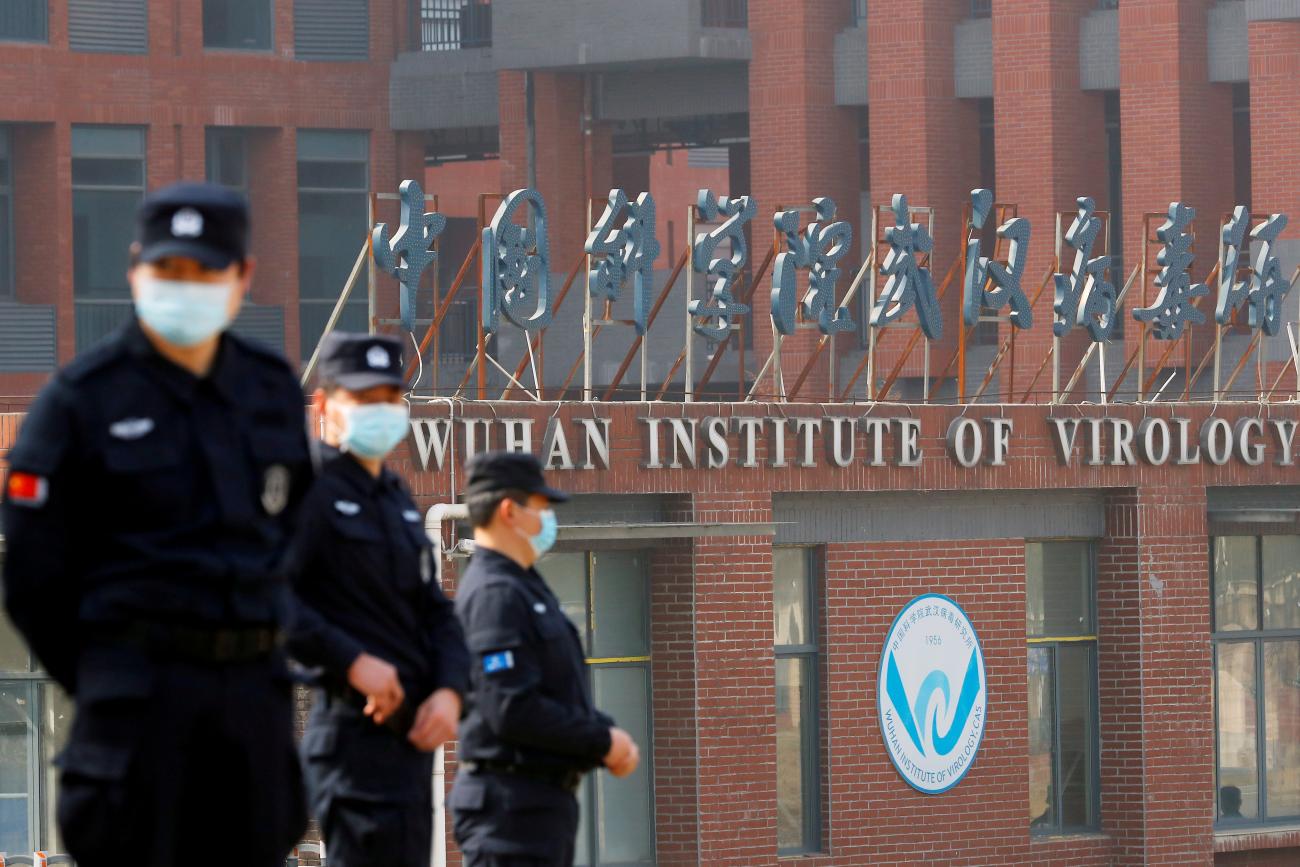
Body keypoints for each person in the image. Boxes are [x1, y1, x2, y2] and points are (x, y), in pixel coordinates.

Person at [0, 181, 311, 866]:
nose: (185, 287)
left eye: (205, 271)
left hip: (250, 712)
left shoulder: (271, 390)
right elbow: (31, 573)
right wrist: (108, 670)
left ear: (243, 278)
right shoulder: (81, 401)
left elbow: (294, 533)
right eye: (168, 270)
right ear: (135, 267)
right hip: (136, 711)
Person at [287, 332, 469, 867]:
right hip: (351, 739)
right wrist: (353, 662)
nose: (381, 411)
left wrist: (450, 691)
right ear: (324, 404)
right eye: (363, 399)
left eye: (391, 398)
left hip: (409, 744)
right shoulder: (305, 487)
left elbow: (435, 611)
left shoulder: (396, 498)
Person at [449, 451, 640, 867]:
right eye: (541, 508)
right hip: (511, 809)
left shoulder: (524, 587)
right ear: (508, 511)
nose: (548, 519)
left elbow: (557, 688)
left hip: (535, 806)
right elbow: (510, 707)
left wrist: (604, 733)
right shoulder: (494, 594)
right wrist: (602, 741)